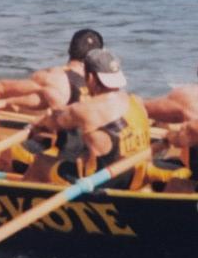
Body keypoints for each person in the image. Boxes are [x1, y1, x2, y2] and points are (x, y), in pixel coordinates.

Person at [30, 48, 151, 190]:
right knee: (83, 155)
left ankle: (20, 200)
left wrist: (37, 124)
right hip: (137, 179)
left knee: (41, 162)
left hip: (103, 183)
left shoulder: (85, 109)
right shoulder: (137, 101)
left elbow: (52, 123)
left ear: (91, 78)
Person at [0, 28, 104, 174]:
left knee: (4, 145)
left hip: (64, 163)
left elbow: (3, 88)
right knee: (43, 138)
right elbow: (42, 100)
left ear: (70, 49)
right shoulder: (104, 84)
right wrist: (9, 103)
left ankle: (6, 179)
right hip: (93, 159)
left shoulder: (55, 76)